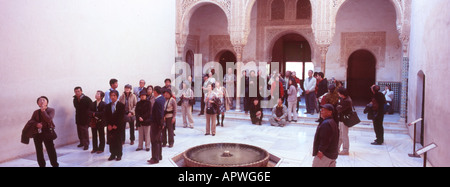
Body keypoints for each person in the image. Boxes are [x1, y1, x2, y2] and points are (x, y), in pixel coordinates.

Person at [22, 96, 59, 167]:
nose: (42, 101)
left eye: (43, 100)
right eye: (40, 101)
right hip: (37, 133)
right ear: (38, 104)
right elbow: (31, 120)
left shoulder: (51, 110)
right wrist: (37, 124)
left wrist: (43, 111)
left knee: (51, 150)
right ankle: (41, 165)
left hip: (47, 132)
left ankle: (55, 165)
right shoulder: (35, 112)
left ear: (47, 102)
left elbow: (48, 119)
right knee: (39, 150)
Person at [105, 90, 126, 161]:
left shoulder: (121, 105)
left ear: (117, 96)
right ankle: (112, 154)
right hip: (110, 127)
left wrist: (116, 125)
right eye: (111, 95)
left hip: (118, 126)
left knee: (118, 141)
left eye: (114, 95)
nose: (113, 97)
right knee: (111, 141)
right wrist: (108, 125)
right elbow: (106, 116)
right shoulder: (107, 106)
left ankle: (119, 154)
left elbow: (121, 117)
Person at [147, 86, 165, 164]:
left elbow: (159, 114)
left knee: (154, 141)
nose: (153, 93)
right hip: (159, 123)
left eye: (153, 91)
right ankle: (159, 156)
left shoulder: (157, 101)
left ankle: (155, 158)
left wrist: (159, 124)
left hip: (156, 124)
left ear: (156, 92)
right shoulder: (162, 99)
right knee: (158, 140)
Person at [336, 87, 353, 155]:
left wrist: (338, 106)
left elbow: (339, 109)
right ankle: (337, 148)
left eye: (339, 93)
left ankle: (346, 149)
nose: (338, 94)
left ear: (342, 93)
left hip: (345, 120)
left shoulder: (347, 100)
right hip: (341, 119)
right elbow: (338, 107)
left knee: (344, 135)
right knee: (340, 134)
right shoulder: (343, 99)